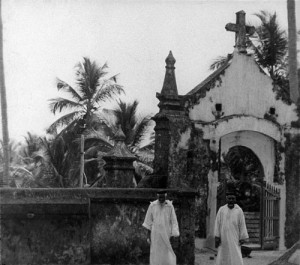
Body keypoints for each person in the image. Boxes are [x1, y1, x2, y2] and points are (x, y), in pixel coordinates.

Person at [142, 190, 180, 265]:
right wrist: (148, 236)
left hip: (166, 234)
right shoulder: (152, 205)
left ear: (166, 196)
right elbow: (148, 221)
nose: (161, 199)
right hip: (155, 235)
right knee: (155, 253)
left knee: (166, 253)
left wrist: (174, 234)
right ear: (157, 196)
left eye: (163, 197)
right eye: (160, 198)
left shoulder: (170, 206)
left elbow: (174, 221)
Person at [214, 190, 249, 265]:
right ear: (226, 199)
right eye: (229, 199)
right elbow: (217, 223)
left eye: (233, 199)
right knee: (223, 253)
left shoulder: (239, 211)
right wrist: (217, 236)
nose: (231, 200)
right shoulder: (221, 210)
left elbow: (242, 224)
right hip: (223, 237)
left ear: (235, 199)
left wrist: (242, 238)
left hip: (235, 237)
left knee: (235, 253)